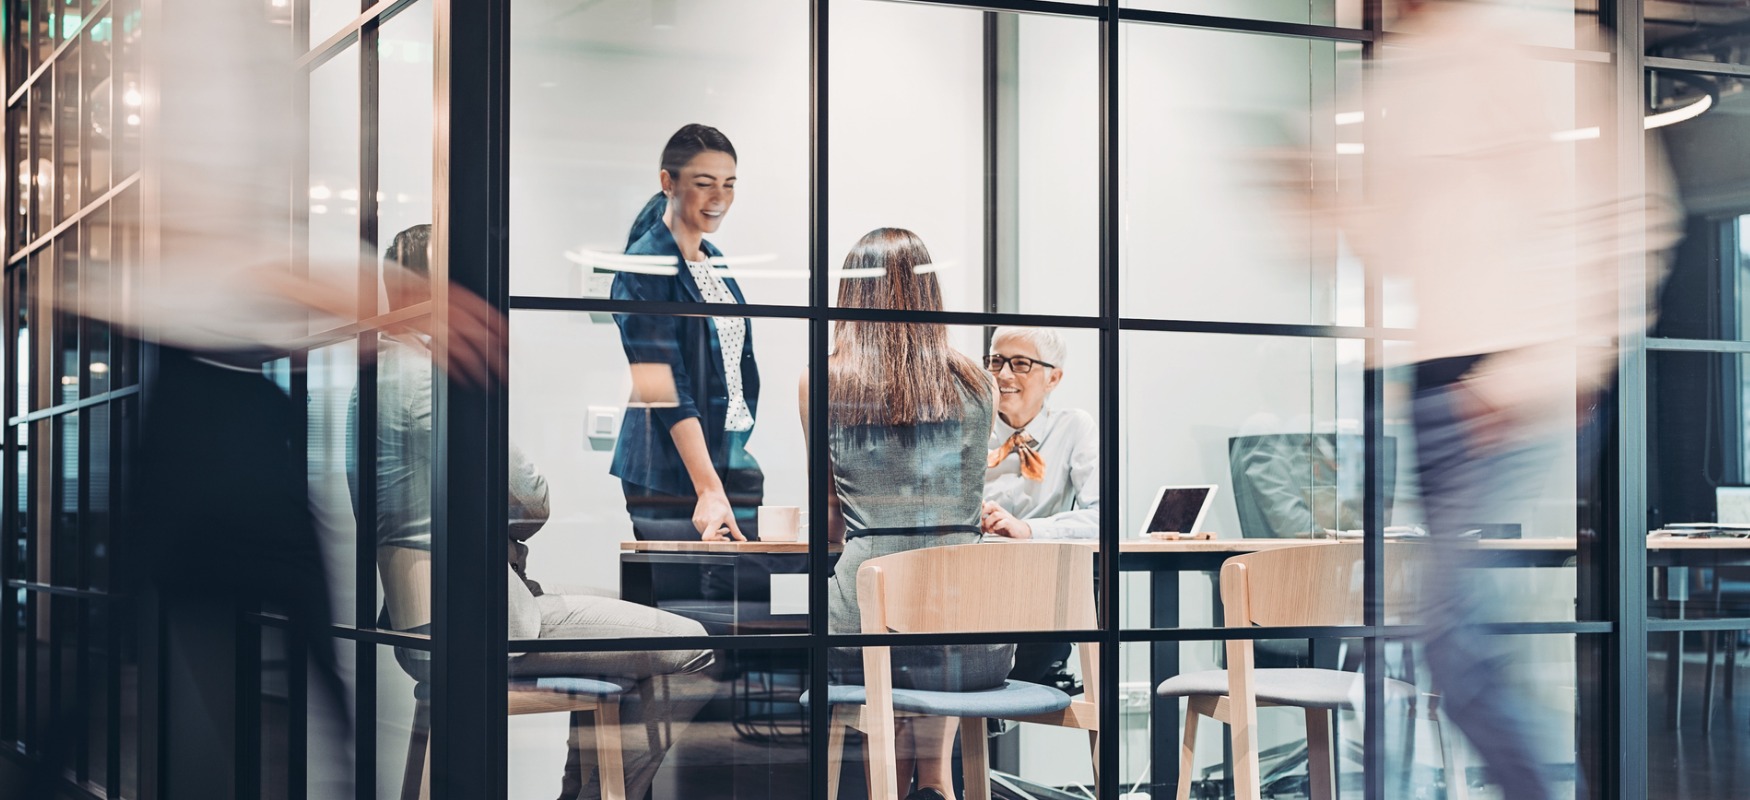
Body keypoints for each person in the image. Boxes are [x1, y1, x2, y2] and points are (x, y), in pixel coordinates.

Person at [1337, 3, 1684, 798]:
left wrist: (1543, 372)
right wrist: (1318, 204)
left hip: (1513, 385)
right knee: (1454, 651)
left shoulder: (1538, 49)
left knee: (1461, 643)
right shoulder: (1400, 73)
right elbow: (1396, 242)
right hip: (1432, 388)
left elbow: (1635, 218)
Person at [353, 225, 715, 800]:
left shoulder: (372, 379)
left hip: (414, 620)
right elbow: (532, 499)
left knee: (616, 614)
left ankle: (581, 791)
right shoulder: (441, 377)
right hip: (483, 619)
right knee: (693, 643)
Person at [802, 228, 1013, 800]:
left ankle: (888, 790)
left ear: (852, 296)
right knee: (935, 622)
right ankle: (940, 783)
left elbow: (828, 520)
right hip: (977, 641)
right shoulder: (980, 382)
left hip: (865, 626)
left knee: (885, 634)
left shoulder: (821, 380)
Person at [612, 124, 763, 542]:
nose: (720, 198)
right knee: (681, 608)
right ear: (668, 182)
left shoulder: (714, 262)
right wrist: (708, 487)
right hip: (671, 473)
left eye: (729, 185)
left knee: (743, 604)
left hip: (727, 459)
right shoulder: (644, 266)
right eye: (704, 184)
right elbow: (663, 383)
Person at [981, 327, 1098, 541]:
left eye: (1021, 364)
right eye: (996, 362)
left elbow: (1102, 518)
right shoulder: (969, 428)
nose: (1004, 375)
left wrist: (1028, 529)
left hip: (1047, 567)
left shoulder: (1073, 426)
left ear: (1053, 378)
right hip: (973, 565)